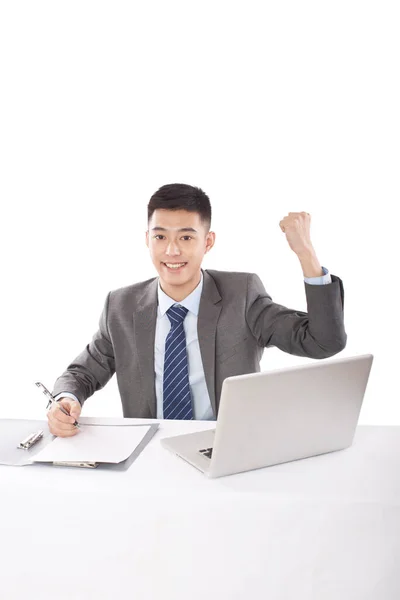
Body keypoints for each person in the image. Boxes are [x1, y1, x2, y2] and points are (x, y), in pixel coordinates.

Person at [48, 183, 347, 437]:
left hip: (226, 448)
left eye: (186, 237)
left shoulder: (241, 295)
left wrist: (306, 254)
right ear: (147, 240)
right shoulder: (122, 306)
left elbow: (322, 341)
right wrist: (65, 399)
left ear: (208, 242)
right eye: (160, 237)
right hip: (150, 454)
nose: (172, 251)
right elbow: (82, 373)